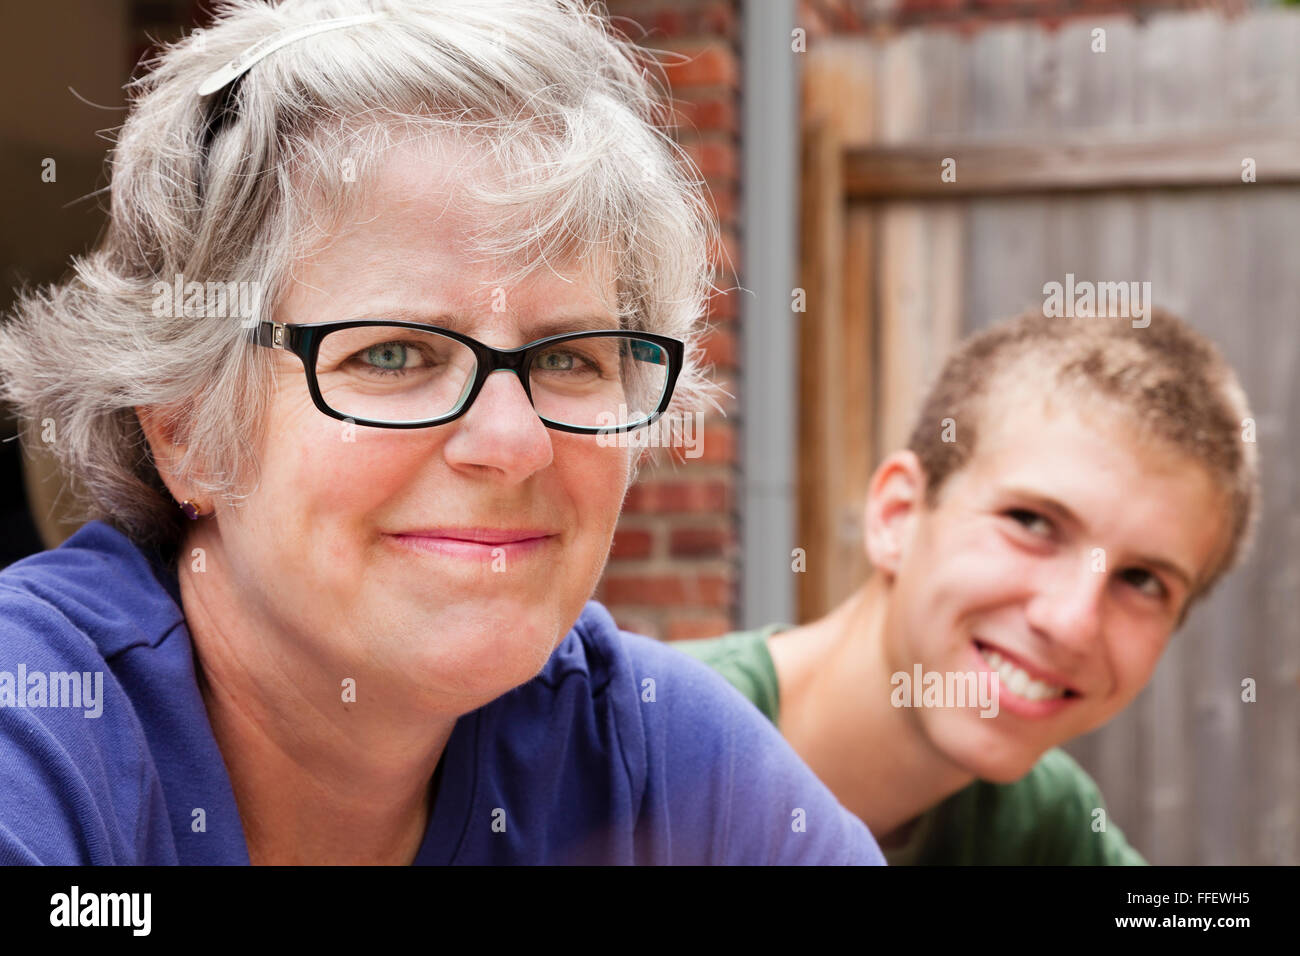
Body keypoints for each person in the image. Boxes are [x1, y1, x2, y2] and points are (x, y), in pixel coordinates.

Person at [0, 0, 884, 866]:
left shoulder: (659, 762)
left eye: (573, 358)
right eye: (392, 355)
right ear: (185, 425)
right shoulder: (35, 723)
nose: (513, 441)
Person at [678, 306, 1259, 865]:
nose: (1072, 622)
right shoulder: (643, 750)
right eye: (1032, 523)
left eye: (1142, 580)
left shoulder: (1043, 825)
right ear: (897, 515)